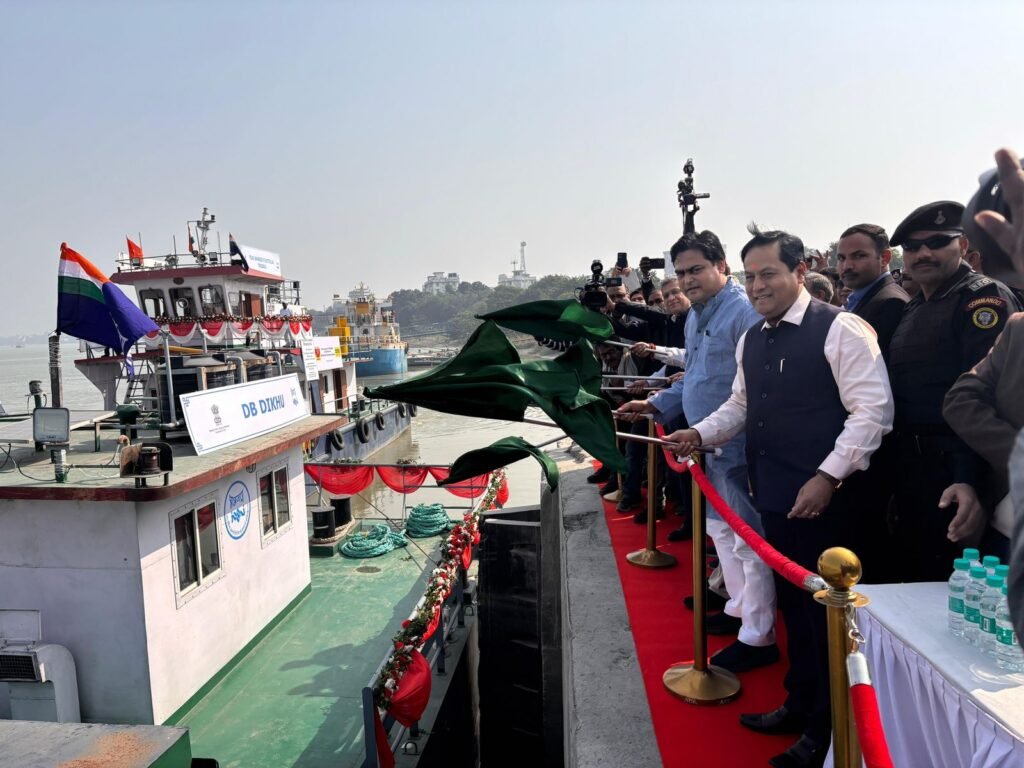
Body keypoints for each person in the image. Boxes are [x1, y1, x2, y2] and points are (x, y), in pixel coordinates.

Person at [665, 226, 892, 768]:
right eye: (751, 277)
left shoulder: (841, 329)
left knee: (830, 622)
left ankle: (827, 734)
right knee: (796, 612)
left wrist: (828, 476)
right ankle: (800, 703)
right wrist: (699, 432)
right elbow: (739, 407)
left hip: (831, 504)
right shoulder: (753, 337)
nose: (758, 286)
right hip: (774, 496)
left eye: (768, 273)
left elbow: (872, 412)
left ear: (800, 271)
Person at [619, 229, 780, 675]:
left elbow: (755, 390)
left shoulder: (743, 313)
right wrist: (655, 404)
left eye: (696, 270)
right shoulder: (695, 316)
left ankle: (759, 635)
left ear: (721, 266)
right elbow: (695, 376)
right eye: (682, 272)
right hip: (702, 445)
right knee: (721, 533)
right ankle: (739, 610)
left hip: (736, 446)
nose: (687, 280)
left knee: (747, 538)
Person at [886, 201, 1021, 582]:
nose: (923, 254)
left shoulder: (982, 300)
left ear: (962, 245)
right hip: (914, 469)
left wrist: (971, 481)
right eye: (913, 247)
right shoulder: (917, 306)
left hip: (958, 477)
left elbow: (984, 405)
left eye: (936, 242)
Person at [836, 223, 909, 359]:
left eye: (859, 256)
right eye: (841, 258)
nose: (847, 266)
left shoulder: (891, 303)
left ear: (885, 258)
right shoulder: (863, 298)